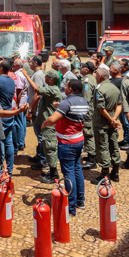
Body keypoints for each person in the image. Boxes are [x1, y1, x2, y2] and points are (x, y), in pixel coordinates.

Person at [41, 78, 89, 214]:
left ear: (71, 89)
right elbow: (71, 114)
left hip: (67, 143)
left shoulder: (67, 102)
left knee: (68, 173)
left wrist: (44, 124)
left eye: (66, 86)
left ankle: (71, 207)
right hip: (79, 140)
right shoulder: (83, 102)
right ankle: (80, 201)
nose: (64, 88)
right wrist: (60, 108)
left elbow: (52, 120)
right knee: (77, 170)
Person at [25, 69, 63, 184]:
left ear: (51, 79)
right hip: (48, 123)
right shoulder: (51, 89)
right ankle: (51, 170)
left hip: (50, 125)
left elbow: (36, 89)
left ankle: (53, 174)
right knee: (47, 147)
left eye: (46, 77)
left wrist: (26, 75)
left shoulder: (53, 90)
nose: (45, 78)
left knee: (50, 148)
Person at [92, 66, 123, 182]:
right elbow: (119, 104)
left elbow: (101, 108)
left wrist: (110, 119)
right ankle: (115, 172)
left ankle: (105, 175)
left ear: (100, 76)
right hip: (112, 124)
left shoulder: (99, 89)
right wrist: (114, 119)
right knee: (114, 146)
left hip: (101, 124)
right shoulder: (114, 88)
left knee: (102, 147)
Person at [0, 61, 20, 174]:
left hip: (1, 114)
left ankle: (0, 171)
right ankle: (9, 169)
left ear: (0, 68)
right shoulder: (11, 79)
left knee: (0, 143)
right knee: (8, 142)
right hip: (9, 112)